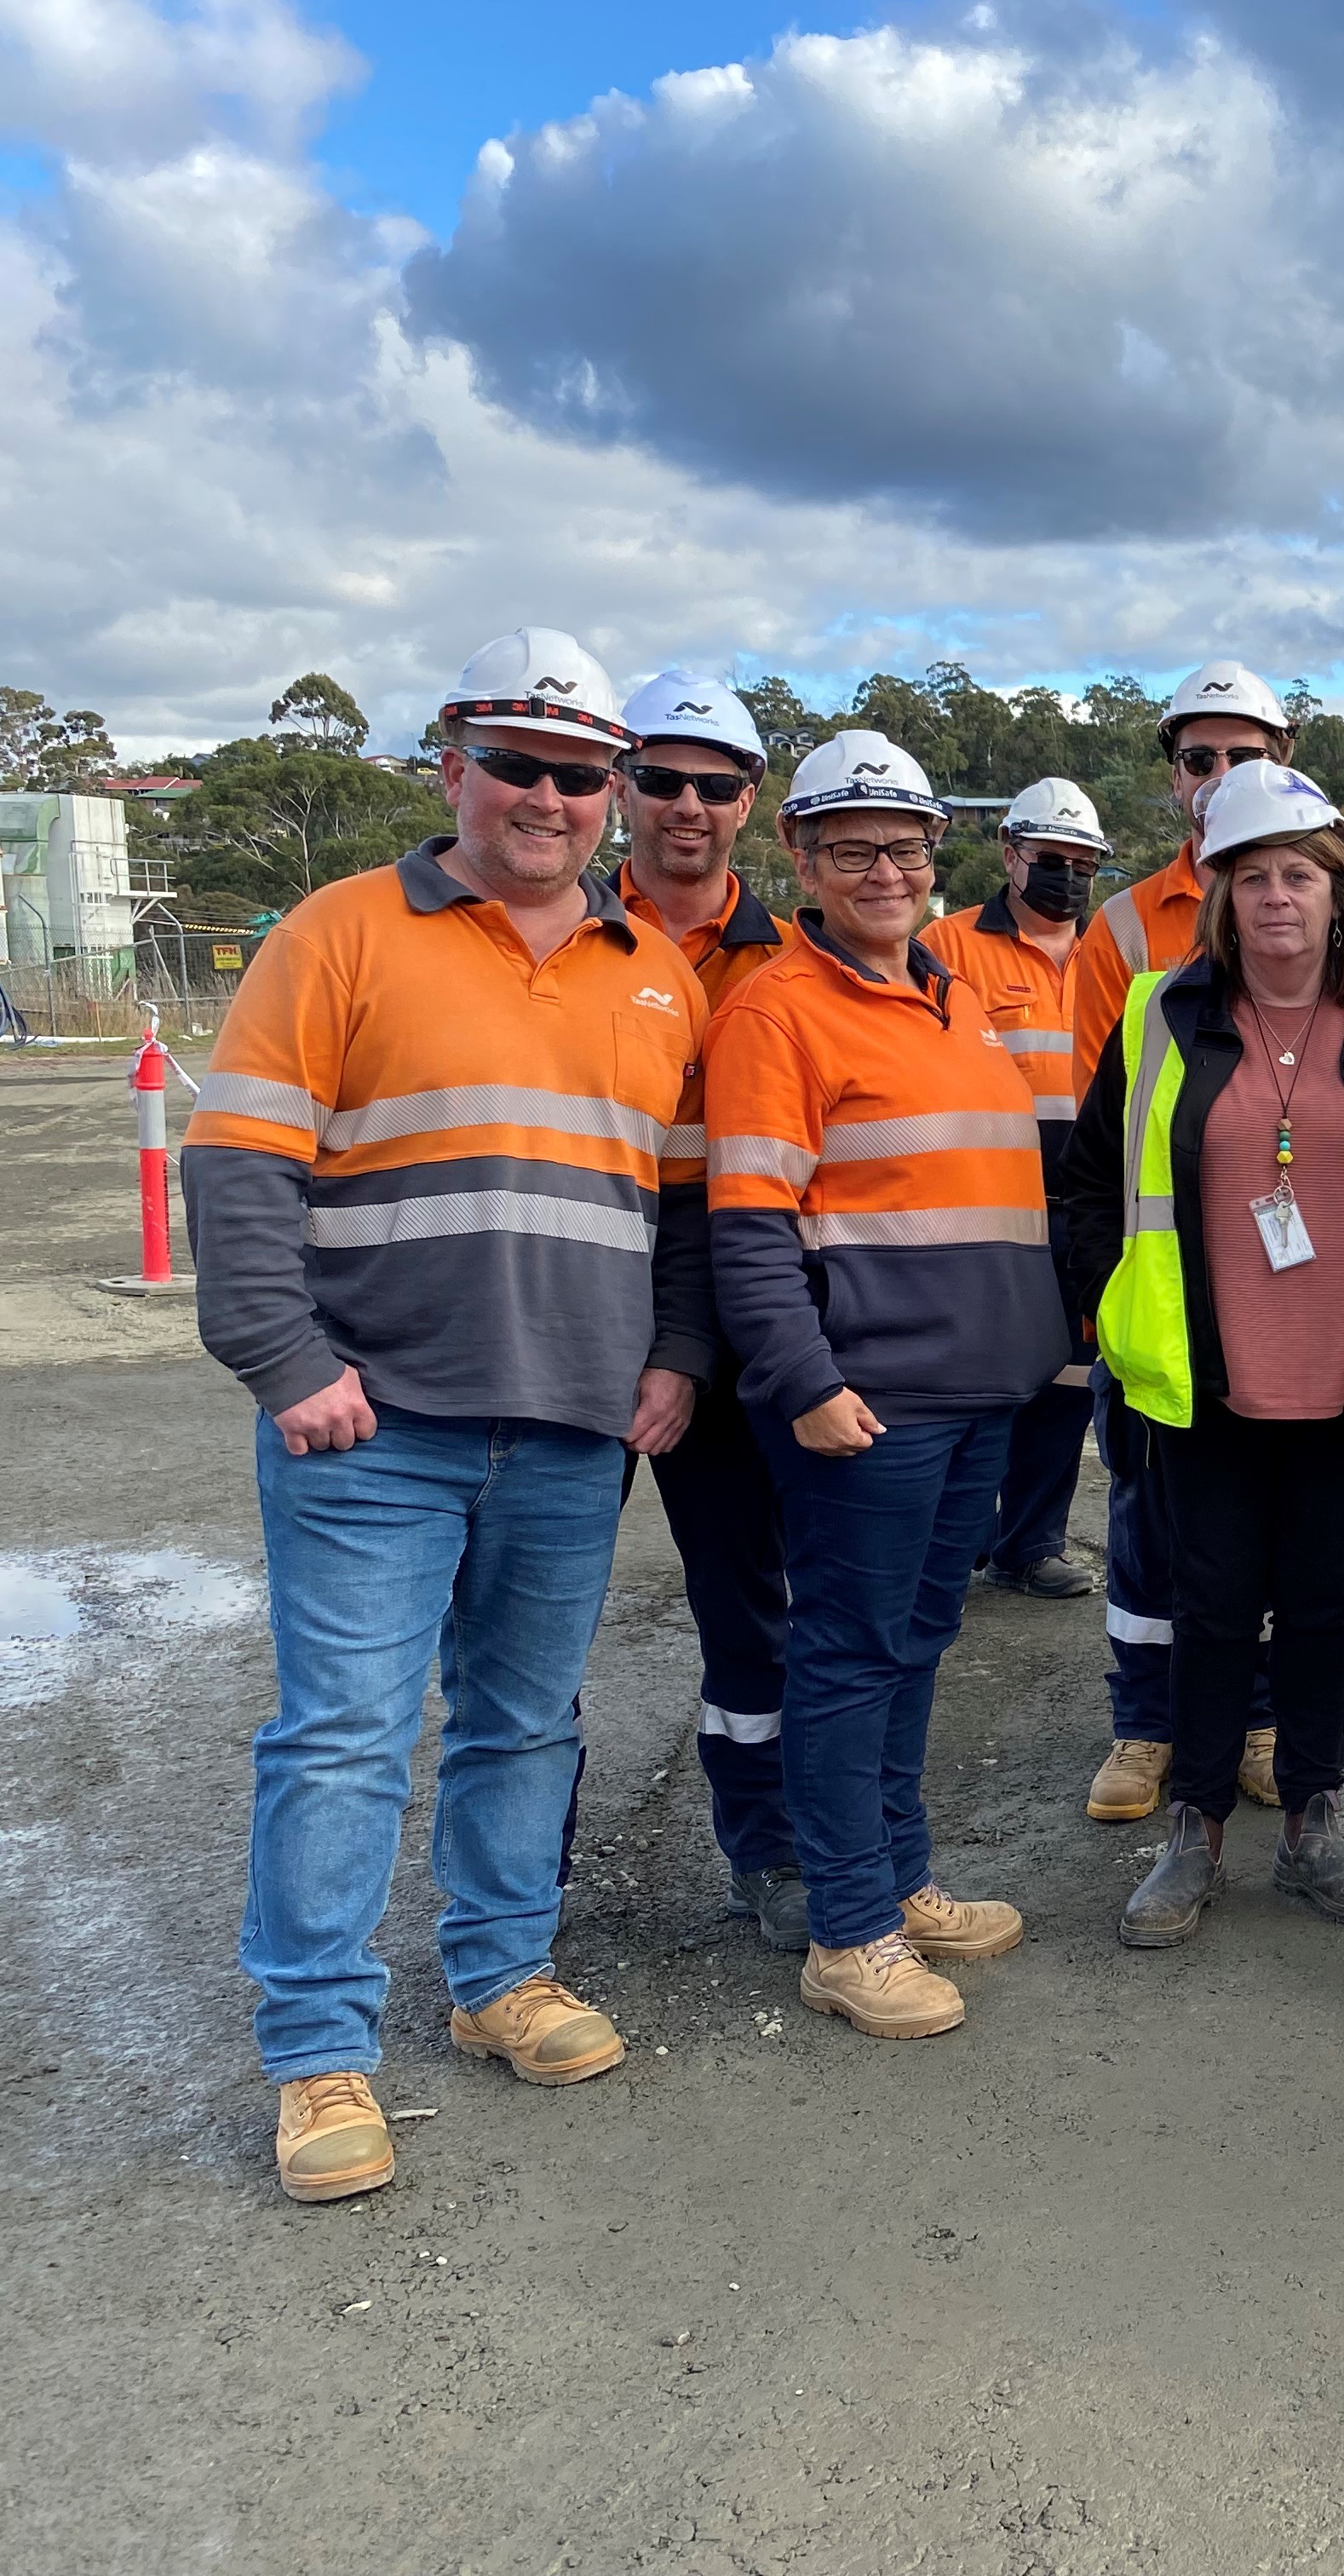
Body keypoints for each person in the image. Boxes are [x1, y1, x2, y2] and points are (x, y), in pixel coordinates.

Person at [187, 629, 709, 2204]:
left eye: (578, 773)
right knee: (342, 1737)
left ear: (612, 794)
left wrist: (674, 1353)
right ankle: (319, 2050)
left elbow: (681, 1210)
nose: (547, 798)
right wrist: (286, 1361)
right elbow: (238, 1166)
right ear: (452, 769)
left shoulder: (656, 974)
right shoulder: (339, 933)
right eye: (517, 764)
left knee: (525, 1720)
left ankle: (500, 1978)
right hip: (372, 1422)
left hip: (568, 1425)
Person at [704, 730, 1060, 2041]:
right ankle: (848, 1931)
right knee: (849, 1657)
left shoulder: (954, 993)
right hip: (868, 1402)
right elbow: (747, 1222)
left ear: (936, 856)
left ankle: (900, 1884)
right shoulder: (775, 1011)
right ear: (797, 855)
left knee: (916, 1645)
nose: (883, 871)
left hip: (972, 1394)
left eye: (904, 847)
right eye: (851, 848)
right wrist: (803, 1379)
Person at [1065, 762, 1344, 1952]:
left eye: (1301, 874)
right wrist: (1103, 1322)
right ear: (1219, 897)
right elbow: (1086, 1187)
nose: (1277, 896)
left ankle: (1313, 1825)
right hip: (1203, 1381)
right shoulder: (1159, 1013)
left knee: (1326, 1609)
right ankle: (1197, 1831)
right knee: (1213, 1609)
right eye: (1252, 876)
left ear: (1343, 896)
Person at [1076, 659, 1296, 1829]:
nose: (1220, 776)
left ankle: (1259, 1717)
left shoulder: (1322, 902)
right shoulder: (1123, 927)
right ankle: (1147, 1722)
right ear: (1174, 780)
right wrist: (1094, 1299)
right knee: (1148, 1519)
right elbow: (1095, 1133)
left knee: (1274, 1523)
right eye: (1200, 758)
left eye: (1244, 755)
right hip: (1165, 1293)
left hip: (1289, 1295)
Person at [608, 669, 803, 1948]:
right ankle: (527, 1879)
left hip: (729, 1312)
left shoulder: (789, 963)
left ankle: (771, 1849)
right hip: (570, 1297)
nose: (688, 805)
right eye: (663, 779)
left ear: (749, 805)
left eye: (715, 785)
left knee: (752, 1605)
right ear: (622, 788)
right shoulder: (556, 930)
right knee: (527, 1621)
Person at [926, 777, 1110, 1602]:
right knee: (981, 1377)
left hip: (1089, 1200)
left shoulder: (1114, 952)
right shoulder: (950, 947)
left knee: (1070, 1381)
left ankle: (1030, 1543)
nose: (1065, 876)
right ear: (1010, 853)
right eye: (1050, 859)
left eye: (1081, 863)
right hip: (989, 1201)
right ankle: (957, 1535)